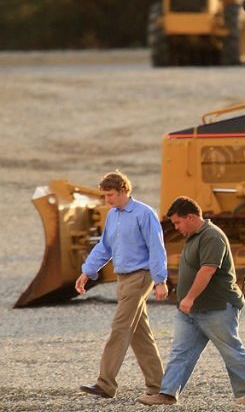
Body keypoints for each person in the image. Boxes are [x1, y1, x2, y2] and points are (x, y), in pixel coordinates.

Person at [138, 196, 245, 407]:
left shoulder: (212, 236)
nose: (176, 227)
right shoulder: (194, 236)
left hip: (216, 308)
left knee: (230, 349)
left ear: (191, 217)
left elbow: (207, 270)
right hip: (190, 311)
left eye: (178, 222)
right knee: (181, 351)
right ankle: (167, 394)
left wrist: (189, 298)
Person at [75, 171, 169, 399]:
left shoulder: (144, 214)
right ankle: (160, 386)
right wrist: (87, 271)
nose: (107, 200)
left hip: (140, 277)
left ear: (124, 191)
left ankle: (105, 384)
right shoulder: (113, 215)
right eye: (105, 195)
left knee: (119, 328)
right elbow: (104, 247)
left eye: (110, 195)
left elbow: (157, 248)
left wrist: (160, 280)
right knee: (139, 334)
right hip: (123, 278)